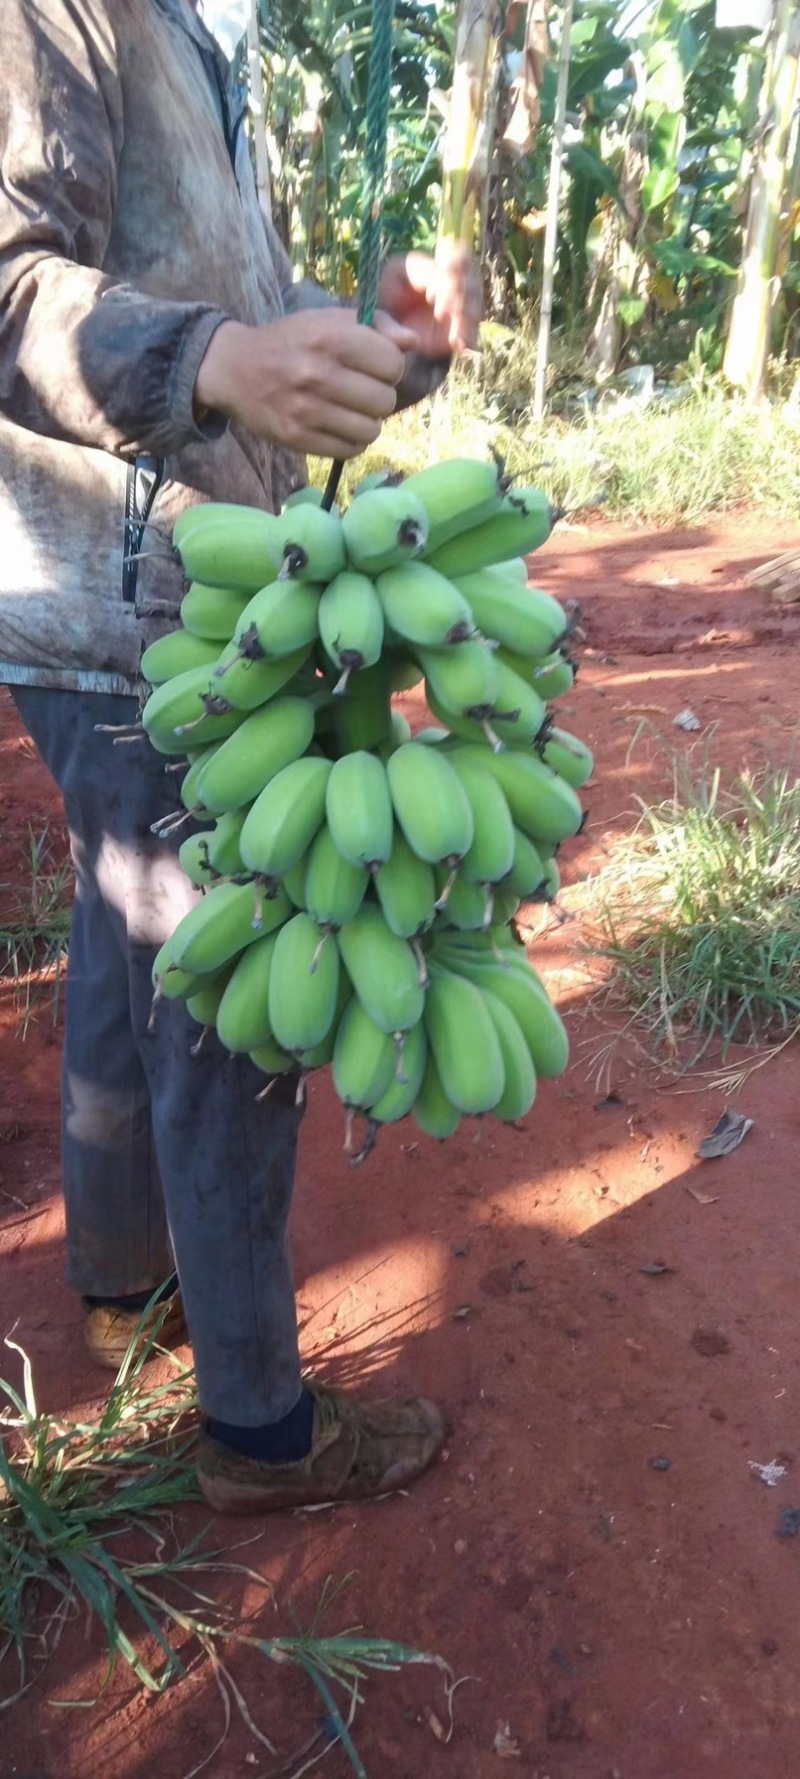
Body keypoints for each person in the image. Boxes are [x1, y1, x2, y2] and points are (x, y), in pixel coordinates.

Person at [0, 0, 481, 1513]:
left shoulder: (198, 40)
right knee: (224, 1003)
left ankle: (125, 1277)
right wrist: (216, 358)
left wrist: (380, 336)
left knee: (124, 925)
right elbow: (14, 288)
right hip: (123, 593)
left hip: (176, 597)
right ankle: (262, 1432)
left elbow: (243, 324)